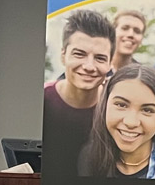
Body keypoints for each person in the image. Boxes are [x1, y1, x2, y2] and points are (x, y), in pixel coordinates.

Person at [76, 65, 155, 179]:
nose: (131, 122)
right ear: (105, 105)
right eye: (121, 105)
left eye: (147, 110)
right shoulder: (89, 157)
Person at [44, 9, 114, 158]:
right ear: (63, 56)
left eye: (100, 58)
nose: (89, 66)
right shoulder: (43, 99)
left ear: (110, 64)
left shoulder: (115, 107)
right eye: (79, 54)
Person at [110, 10, 146, 74]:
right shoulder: (97, 68)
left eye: (137, 31)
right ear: (112, 32)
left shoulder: (143, 75)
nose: (131, 34)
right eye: (125, 28)